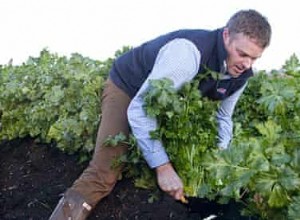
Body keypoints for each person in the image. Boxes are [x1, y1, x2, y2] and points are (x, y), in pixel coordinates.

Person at [49, 9, 271, 220]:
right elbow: (140, 108)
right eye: (242, 54)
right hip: (129, 88)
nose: (246, 64)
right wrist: (163, 168)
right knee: (105, 171)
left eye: (254, 58)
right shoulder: (188, 54)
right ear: (226, 36)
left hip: (169, 101)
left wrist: (221, 161)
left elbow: (223, 117)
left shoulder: (242, 73)